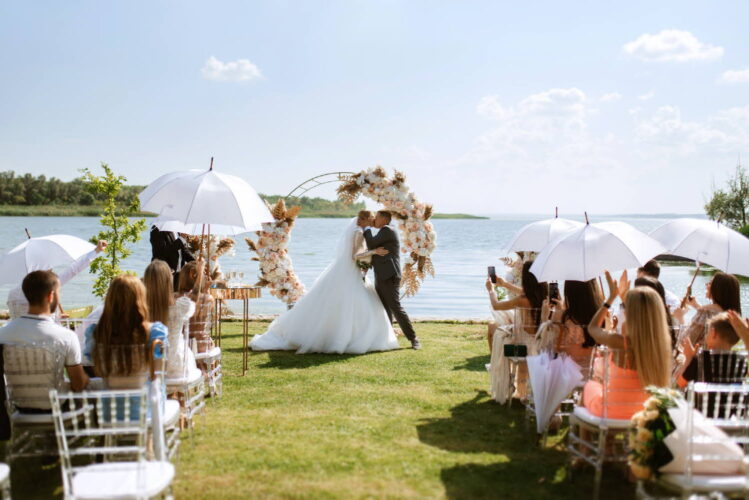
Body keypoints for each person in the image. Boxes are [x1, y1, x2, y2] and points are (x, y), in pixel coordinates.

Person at [249, 213, 400, 354]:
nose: (373, 222)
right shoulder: (359, 233)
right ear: (362, 220)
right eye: (371, 219)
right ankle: (345, 337)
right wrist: (373, 253)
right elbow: (356, 256)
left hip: (348, 272)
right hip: (351, 272)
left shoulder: (356, 231)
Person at [583, 273, 672, 419]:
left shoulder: (619, 342)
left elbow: (592, 328)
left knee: (590, 386)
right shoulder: (661, 346)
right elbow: (643, 314)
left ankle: (587, 439)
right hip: (644, 413)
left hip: (612, 412)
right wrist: (625, 298)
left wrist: (611, 298)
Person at [0, 270, 90, 407]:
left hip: (17, 409)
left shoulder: (3, 334)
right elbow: (78, 384)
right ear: (51, 296)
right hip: (58, 410)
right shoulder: (65, 337)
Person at [84, 275, 168, 393]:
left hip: (109, 407)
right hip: (144, 405)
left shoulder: (97, 334)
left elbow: (93, 365)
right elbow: (159, 369)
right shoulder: (154, 333)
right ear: (141, 299)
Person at [363, 210, 421, 349]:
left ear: (384, 219)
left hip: (389, 275)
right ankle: (388, 337)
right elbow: (373, 250)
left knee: (395, 307)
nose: (374, 220)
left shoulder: (388, 230)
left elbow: (371, 243)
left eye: (376, 218)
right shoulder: (383, 231)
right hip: (380, 274)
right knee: (385, 308)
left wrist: (366, 228)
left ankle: (414, 339)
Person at [6, 240, 108, 319]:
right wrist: (96, 251)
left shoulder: (13, 293)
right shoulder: (47, 285)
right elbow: (73, 270)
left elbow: (25, 317)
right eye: (49, 266)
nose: (52, 269)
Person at [144, 260, 201, 381]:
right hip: (178, 366)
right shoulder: (180, 306)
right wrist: (200, 273)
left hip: (150, 368)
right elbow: (194, 297)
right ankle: (180, 398)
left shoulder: (141, 310)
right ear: (168, 282)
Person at [539, 279, 601, 370]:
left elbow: (546, 347)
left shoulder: (561, 317)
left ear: (569, 292)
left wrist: (545, 318)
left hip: (567, 377)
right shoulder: (602, 318)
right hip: (594, 375)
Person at [485, 261, 548, 350]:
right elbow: (523, 292)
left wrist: (491, 290)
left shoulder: (522, 300)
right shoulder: (545, 295)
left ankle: (494, 362)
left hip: (523, 338)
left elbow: (496, 306)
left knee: (491, 326)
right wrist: (504, 284)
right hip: (541, 334)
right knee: (497, 323)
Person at [678, 312, 744, 387]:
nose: (705, 336)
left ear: (713, 333)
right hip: (732, 399)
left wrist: (688, 357)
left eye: (707, 333)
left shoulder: (702, 359)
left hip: (703, 398)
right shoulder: (741, 361)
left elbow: (681, 383)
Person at [677, 272, 742, 345]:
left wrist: (680, 317)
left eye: (710, 283)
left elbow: (686, 341)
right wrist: (696, 305)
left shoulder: (706, 311)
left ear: (718, 289)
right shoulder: (734, 318)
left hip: (698, 355)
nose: (706, 285)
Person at [176, 260, 215, 354]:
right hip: (202, 348)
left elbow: (194, 300)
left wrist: (204, 290)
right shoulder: (209, 299)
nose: (206, 277)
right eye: (204, 274)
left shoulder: (174, 297)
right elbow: (211, 323)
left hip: (180, 346)